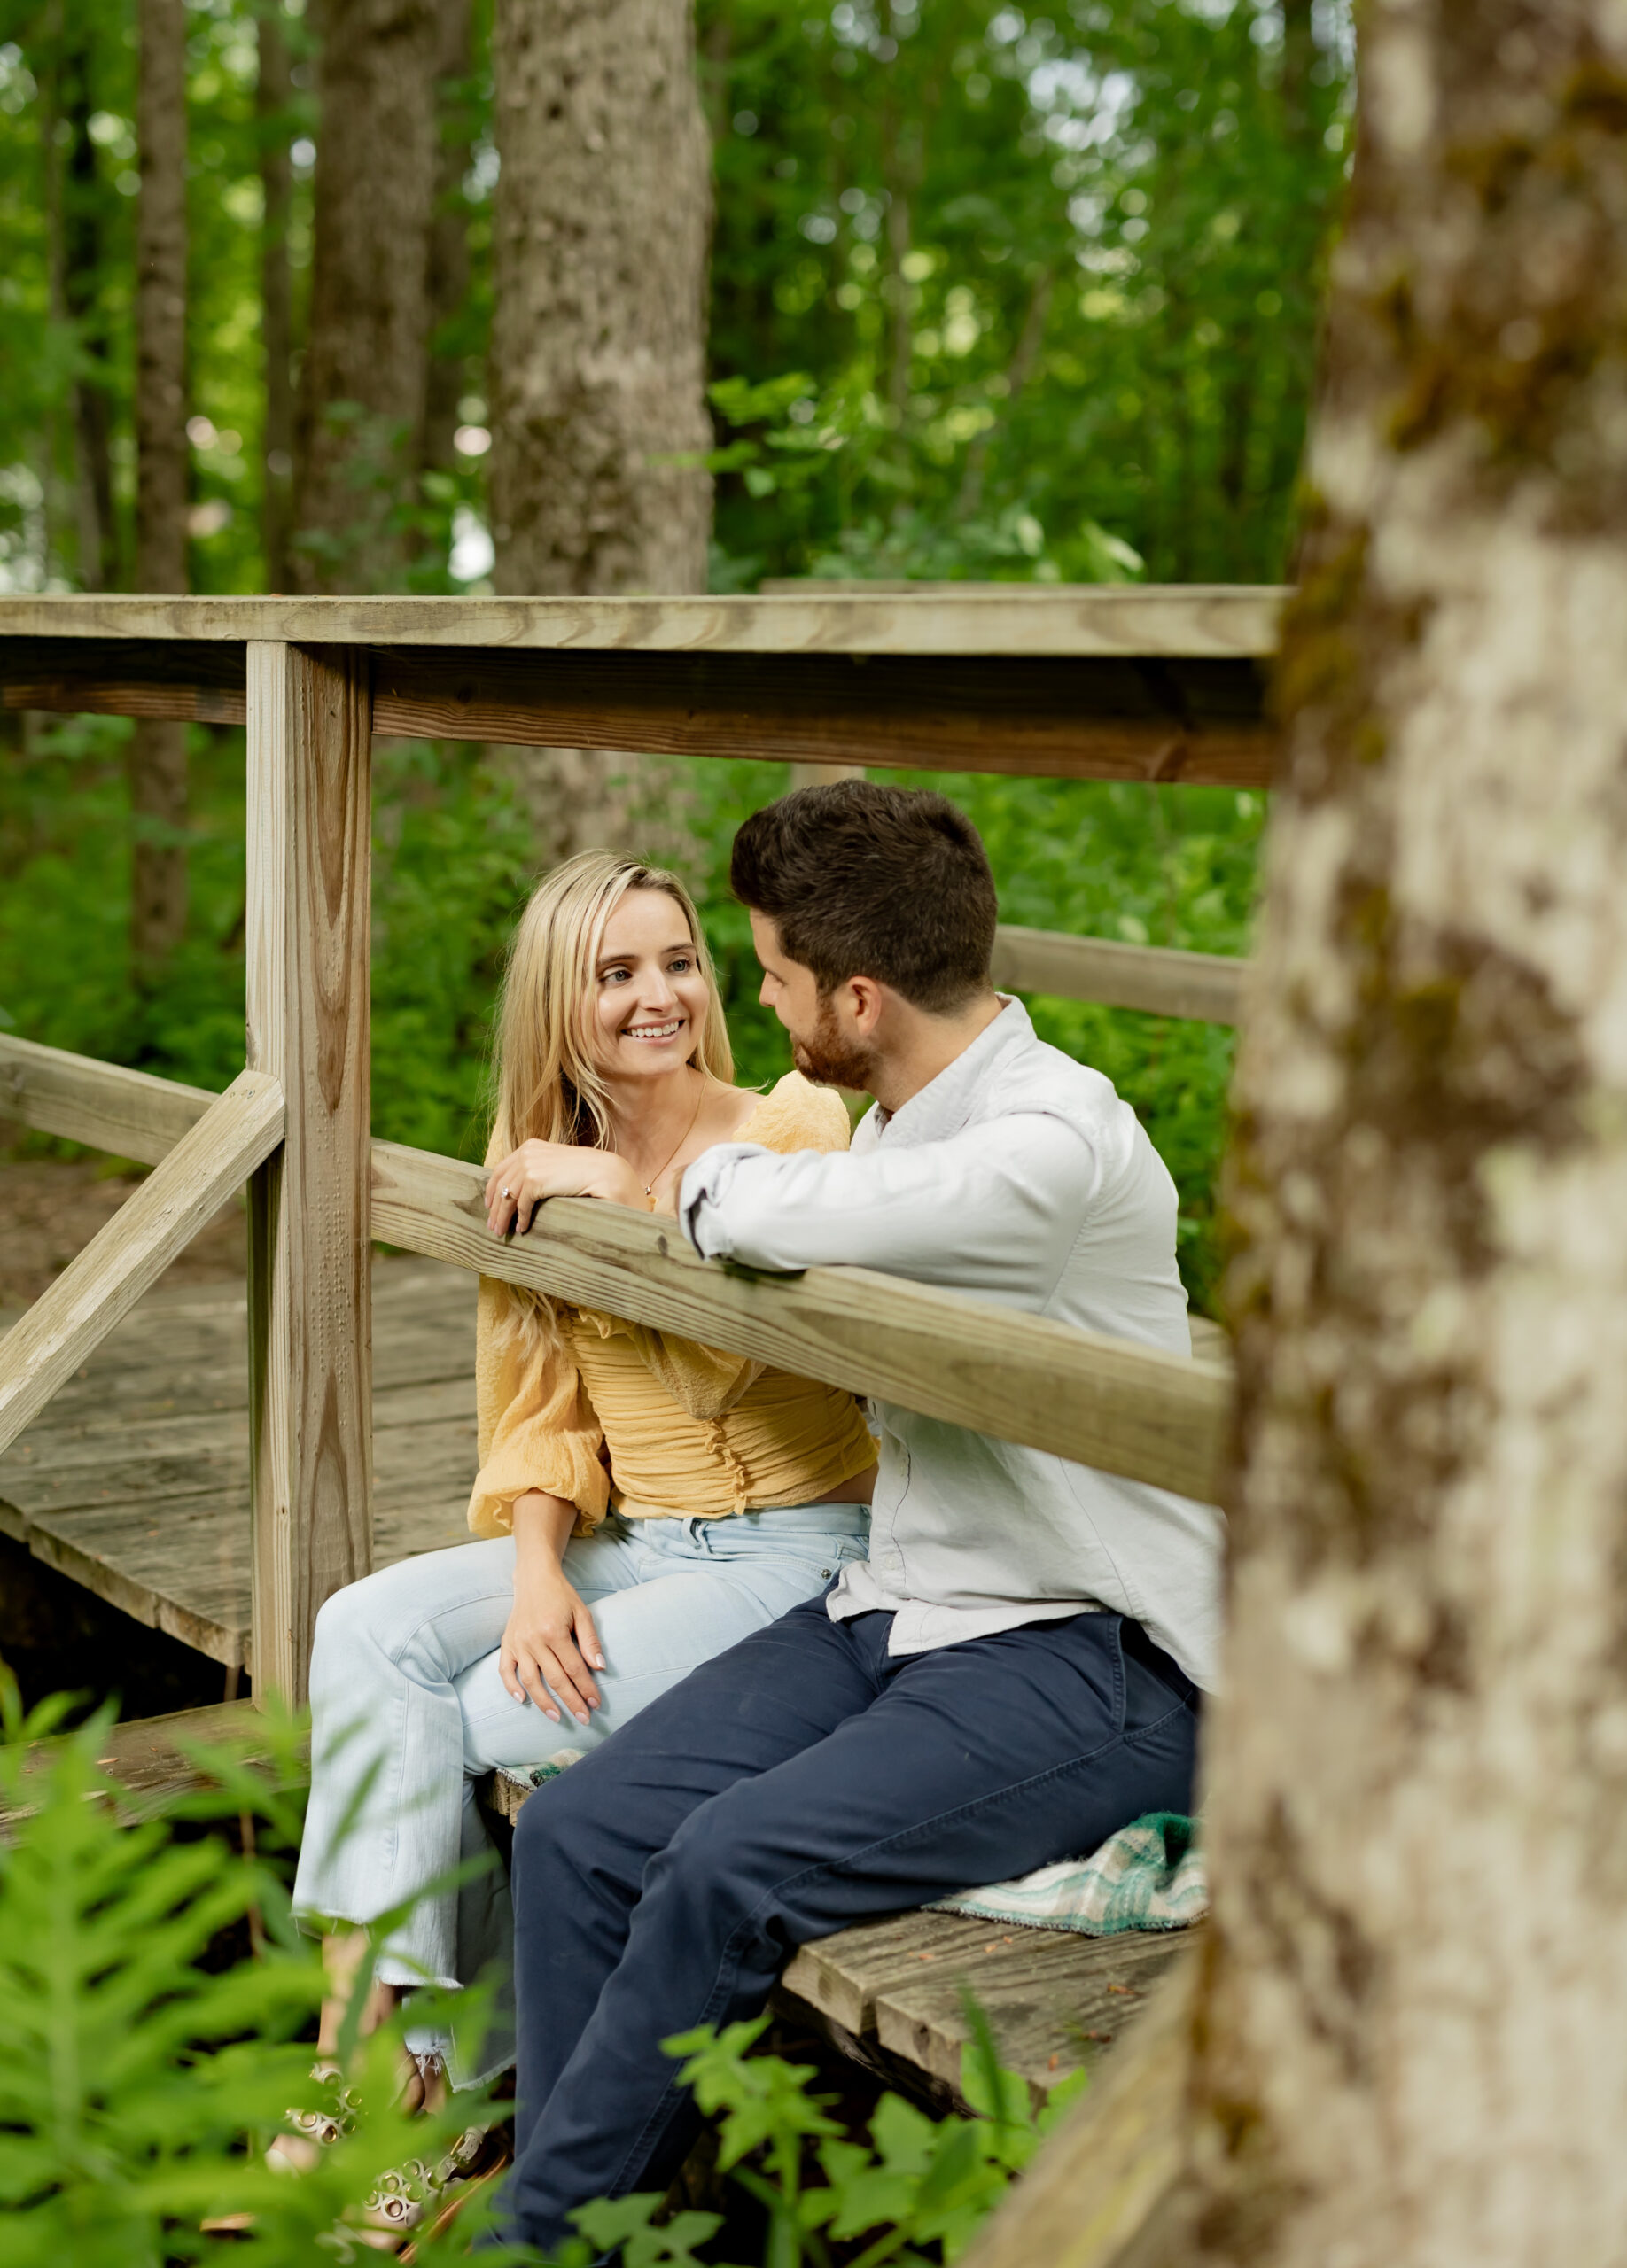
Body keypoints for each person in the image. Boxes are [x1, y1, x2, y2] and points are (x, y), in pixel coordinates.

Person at [493, 781, 1225, 2249]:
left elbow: (768, 1212)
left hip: (1100, 1648)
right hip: (901, 1604)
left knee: (721, 1867)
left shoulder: (1052, 1139)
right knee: (577, 1830)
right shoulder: (898, 1122)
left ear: (860, 995)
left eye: (764, 972)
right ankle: (578, 2214)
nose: (750, 1002)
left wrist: (643, 1175)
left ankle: (537, 2248)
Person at [290, 850, 877, 2124]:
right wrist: (538, 1571)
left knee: (457, 1724)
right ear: (561, 997)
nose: (655, 995)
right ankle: (389, 2050)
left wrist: (623, 1198)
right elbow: (540, 1401)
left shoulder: (790, 1127)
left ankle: (388, 2074)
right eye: (614, 973)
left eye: (676, 962)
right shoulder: (531, 1151)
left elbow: (730, 1368)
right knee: (361, 1630)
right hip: (641, 1540)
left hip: (797, 1548)